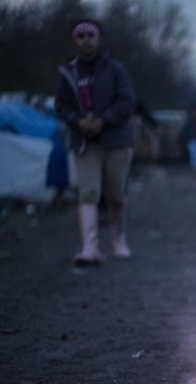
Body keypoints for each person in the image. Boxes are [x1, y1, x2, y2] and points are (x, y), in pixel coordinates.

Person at [54, 18, 136, 265]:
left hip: (116, 140)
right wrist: (78, 122)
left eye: (91, 35)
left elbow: (127, 100)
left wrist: (103, 121)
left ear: (98, 38)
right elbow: (61, 105)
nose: (86, 40)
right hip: (84, 141)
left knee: (116, 194)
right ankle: (90, 248)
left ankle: (118, 241)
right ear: (74, 40)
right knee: (88, 192)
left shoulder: (115, 69)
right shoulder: (67, 72)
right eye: (81, 36)